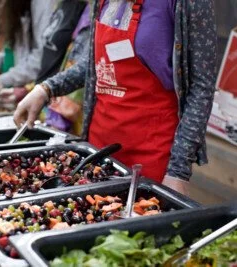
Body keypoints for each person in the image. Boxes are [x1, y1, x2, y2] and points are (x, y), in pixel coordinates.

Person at [14, 0, 217, 194]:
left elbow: (201, 88)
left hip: (152, 156)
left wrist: (178, 172)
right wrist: (47, 89)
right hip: (98, 150)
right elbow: (96, 61)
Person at [0, 0, 90, 134]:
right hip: (47, 110)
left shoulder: (89, 11)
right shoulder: (62, 5)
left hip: (67, 121)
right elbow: (55, 60)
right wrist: (29, 89)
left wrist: (47, 93)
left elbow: (83, 66)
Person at [0, 0, 55, 92]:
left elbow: (41, 59)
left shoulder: (43, 4)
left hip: (39, 91)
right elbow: (13, 53)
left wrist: (3, 80)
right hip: (22, 90)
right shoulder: (14, 6)